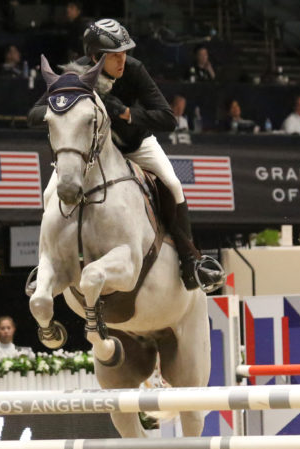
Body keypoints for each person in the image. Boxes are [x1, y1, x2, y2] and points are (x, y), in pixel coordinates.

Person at [27, 18, 224, 292]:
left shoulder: (133, 70)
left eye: (124, 54)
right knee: (51, 193)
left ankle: (190, 260)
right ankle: (43, 264)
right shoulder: (76, 74)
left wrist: (127, 113)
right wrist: (62, 107)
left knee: (173, 184)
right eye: (115, 56)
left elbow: (168, 118)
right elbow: (34, 114)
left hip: (134, 146)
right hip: (92, 155)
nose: (122, 61)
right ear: (95, 57)